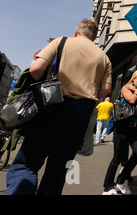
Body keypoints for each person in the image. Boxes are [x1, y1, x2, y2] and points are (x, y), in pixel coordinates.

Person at [6, 19, 112, 195]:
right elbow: (105, 90)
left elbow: (36, 69)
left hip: (52, 104)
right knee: (59, 168)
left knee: (28, 162)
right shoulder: (104, 58)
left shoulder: (62, 41)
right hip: (82, 112)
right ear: (94, 37)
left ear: (77, 31)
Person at [102, 70, 137, 195]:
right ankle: (108, 187)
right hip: (122, 128)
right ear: (134, 78)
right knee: (117, 158)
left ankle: (122, 179)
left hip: (135, 129)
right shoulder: (125, 88)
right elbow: (132, 100)